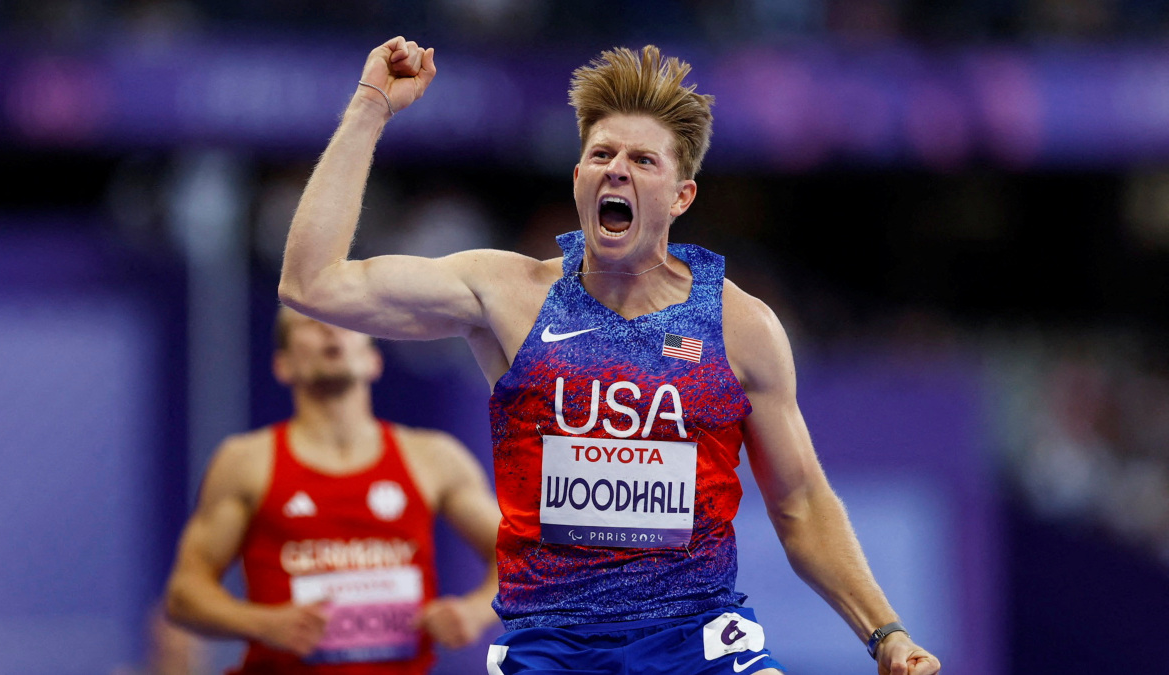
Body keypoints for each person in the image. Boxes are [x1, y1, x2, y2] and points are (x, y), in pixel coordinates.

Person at [277, 35, 942, 675]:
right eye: (601, 155)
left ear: (680, 197)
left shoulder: (741, 327)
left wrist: (886, 632)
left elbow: (800, 504)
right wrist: (370, 107)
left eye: (644, 160)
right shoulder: (508, 295)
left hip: (700, 641)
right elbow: (312, 283)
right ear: (578, 179)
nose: (617, 168)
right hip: (551, 646)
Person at [164, 307, 501, 674]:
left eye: (346, 323)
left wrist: (476, 611)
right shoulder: (245, 462)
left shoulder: (434, 457)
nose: (330, 331)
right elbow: (184, 596)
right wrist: (263, 624)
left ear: (374, 361)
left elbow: (524, 556)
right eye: (310, 324)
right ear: (283, 365)